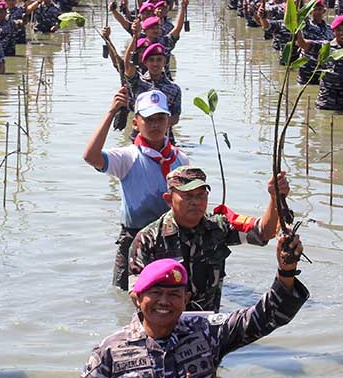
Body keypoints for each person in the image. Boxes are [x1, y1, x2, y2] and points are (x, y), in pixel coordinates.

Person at [63, 235, 309, 378]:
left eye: (173, 295)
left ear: (186, 300)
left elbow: (263, 318)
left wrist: (286, 272)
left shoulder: (207, 332)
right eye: (155, 293)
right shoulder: (110, 352)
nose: (164, 302)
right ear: (137, 298)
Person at [128, 167, 288, 311]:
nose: (196, 202)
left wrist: (275, 198)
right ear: (169, 199)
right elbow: (136, 294)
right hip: (163, 321)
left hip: (207, 323)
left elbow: (265, 232)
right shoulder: (148, 239)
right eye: (188, 196)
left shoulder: (219, 227)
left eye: (201, 195)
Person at [83, 88, 190, 290]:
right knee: (124, 295)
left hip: (171, 240)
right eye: (149, 119)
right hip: (133, 238)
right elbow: (90, 156)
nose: (155, 125)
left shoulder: (180, 159)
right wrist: (111, 112)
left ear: (168, 121)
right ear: (136, 122)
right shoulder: (127, 157)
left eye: (160, 118)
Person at [295, 14, 343, 111]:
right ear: (333, 32)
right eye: (339, 30)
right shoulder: (325, 47)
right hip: (325, 102)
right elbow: (302, 43)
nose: (342, 33)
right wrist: (296, 24)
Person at [124, 39, 182, 126]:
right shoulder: (137, 82)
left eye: (159, 60)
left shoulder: (174, 89)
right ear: (145, 62)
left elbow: (175, 116)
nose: (155, 64)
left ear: (164, 62)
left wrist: (158, 126)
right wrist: (135, 36)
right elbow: (128, 64)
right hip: (140, 134)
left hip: (165, 135)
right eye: (151, 60)